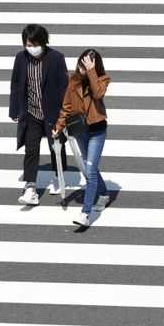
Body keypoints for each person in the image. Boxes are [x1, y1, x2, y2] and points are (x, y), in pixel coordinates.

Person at [9, 24, 69, 205]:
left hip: (52, 114)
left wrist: (64, 115)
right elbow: (16, 85)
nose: (32, 48)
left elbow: (63, 86)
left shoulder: (56, 58)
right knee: (31, 149)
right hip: (31, 113)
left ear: (43, 42)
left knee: (56, 146)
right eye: (28, 44)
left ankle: (59, 176)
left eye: (35, 44)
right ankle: (31, 187)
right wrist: (14, 110)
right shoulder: (21, 58)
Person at [53, 49, 111, 227]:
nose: (82, 68)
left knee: (90, 171)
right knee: (89, 168)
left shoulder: (103, 79)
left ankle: (85, 213)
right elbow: (67, 106)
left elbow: (98, 93)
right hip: (79, 130)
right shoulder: (74, 80)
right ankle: (104, 193)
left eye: (86, 65)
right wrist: (59, 126)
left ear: (94, 65)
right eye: (81, 64)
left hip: (97, 131)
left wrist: (92, 72)